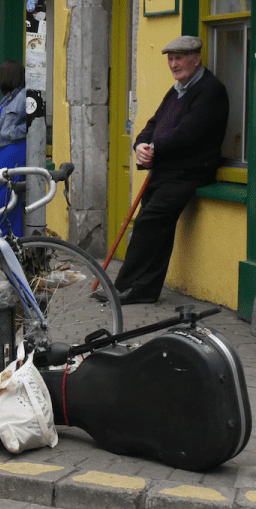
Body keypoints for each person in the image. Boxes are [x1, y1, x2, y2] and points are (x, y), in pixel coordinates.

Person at [98, 35, 229, 306]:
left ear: (196, 59)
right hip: (166, 170)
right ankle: (141, 289)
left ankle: (126, 286)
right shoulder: (177, 89)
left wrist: (154, 148)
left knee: (149, 223)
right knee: (155, 227)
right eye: (170, 58)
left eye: (179, 58)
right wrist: (141, 144)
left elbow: (189, 134)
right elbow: (154, 122)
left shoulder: (210, 90)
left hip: (188, 172)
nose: (173, 64)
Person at [0, 60, 27, 236]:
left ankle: (9, 241)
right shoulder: (10, 96)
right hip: (0, 150)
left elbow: (34, 125)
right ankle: (5, 241)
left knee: (4, 199)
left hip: (12, 150)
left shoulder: (25, 96)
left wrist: (13, 133)